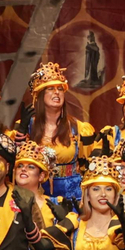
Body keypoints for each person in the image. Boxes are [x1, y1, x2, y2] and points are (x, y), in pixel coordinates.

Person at [22, 61, 100, 205]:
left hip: (71, 197)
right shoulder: (27, 127)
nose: (57, 92)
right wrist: (21, 132)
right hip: (36, 196)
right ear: (40, 95)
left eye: (60, 88)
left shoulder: (78, 128)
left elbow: (89, 168)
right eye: (50, 88)